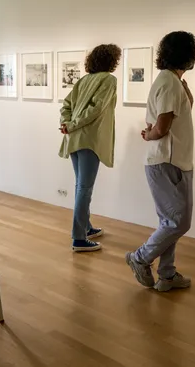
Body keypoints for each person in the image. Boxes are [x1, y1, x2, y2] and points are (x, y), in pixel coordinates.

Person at [126, 31, 195, 291]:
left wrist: (185, 87)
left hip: (174, 161)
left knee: (170, 222)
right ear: (187, 54)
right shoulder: (168, 82)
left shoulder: (172, 81)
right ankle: (139, 257)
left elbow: (182, 109)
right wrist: (150, 134)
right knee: (180, 222)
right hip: (168, 161)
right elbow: (163, 126)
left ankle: (167, 275)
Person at [59, 44, 122, 252]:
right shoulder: (109, 80)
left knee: (80, 186)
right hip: (89, 140)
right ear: (112, 60)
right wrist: (72, 124)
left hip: (75, 139)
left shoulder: (84, 80)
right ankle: (78, 238)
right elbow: (96, 110)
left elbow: (65, 105)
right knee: (84, 188)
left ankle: (86, 227)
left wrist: (67, 124)